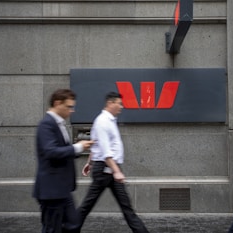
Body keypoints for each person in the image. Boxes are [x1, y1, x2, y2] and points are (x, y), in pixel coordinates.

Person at [77, 91, 149, 233]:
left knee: (126, 207)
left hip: (108, 169)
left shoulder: (108, 121)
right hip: (106, 170)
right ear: (110, 103)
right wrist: (116, 171)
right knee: (87, 206)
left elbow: (96, 145)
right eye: (119, 103)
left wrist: (89, 163)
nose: (121, 107)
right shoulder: (103, 122)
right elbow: (105, 151)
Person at [33, 89, 94, 233]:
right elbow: (50, 152)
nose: (72, 110)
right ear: (57, 103)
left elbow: (63, 151)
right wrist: (77, 148)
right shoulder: (46, 125)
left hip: (62, 190)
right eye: (69, 107)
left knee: (73, 225)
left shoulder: (59, 124)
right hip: (51, 190)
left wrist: (79, 148)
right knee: (52, 229)